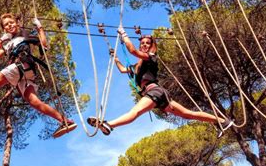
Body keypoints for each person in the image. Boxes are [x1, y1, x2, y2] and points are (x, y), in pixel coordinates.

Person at [87, 26, 233, 137]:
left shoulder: (151, 57)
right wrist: (116, 59)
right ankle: (222, 121)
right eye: (142, 43)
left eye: (147, 43)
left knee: (135, 112)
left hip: (154, 91)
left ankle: (108, 124)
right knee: (188, 114)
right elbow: (123, 70)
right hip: (160, 94)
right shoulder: (138, 67)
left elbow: (132, 51)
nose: (144, 45)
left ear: (151, 46)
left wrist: (124, 35)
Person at [0, 13, 76, 138]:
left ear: (16, 23)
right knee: (35, 102)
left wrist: (40, 28)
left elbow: (44, 46)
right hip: (24, 75)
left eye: (11, 22)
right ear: (4, 29)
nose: (9, 25)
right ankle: (64, 121)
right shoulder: (7, 44)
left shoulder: (24, 34)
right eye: (6, 25)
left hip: (23, 64)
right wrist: (0, 41)